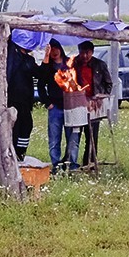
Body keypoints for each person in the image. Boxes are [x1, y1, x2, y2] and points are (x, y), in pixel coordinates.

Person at [70, 40, 112, 169]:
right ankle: (72, 163)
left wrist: (101, 96)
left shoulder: (100, 65)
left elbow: (108, 83)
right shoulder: (72, 64)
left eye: (87, 53)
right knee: (74, 135)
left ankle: (90, 163)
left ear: (92, 52)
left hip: (94, 105)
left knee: (92, 136)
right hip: (77, 104)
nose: (84, 56)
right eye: (82, 52)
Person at [38, 39, 71, 171]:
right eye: (50, 49)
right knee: (54, 138)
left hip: (70, 106)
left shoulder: (69, 63)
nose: (54, 52)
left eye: (56, 48)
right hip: (55, 107)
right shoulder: (48, 66)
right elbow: (40, 85)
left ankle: (69, 162)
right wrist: (47, 103)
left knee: (72, 138)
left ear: (60, 48)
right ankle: (56, 165)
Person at [6, 37, 38, 161]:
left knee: (27, 126)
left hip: (26, 101)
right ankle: (12, 155)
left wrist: (46, 59)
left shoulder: (29, 60)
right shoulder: (12, 56)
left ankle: (20, 154)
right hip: (13, 100)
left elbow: (39, 73)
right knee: (15, 128)